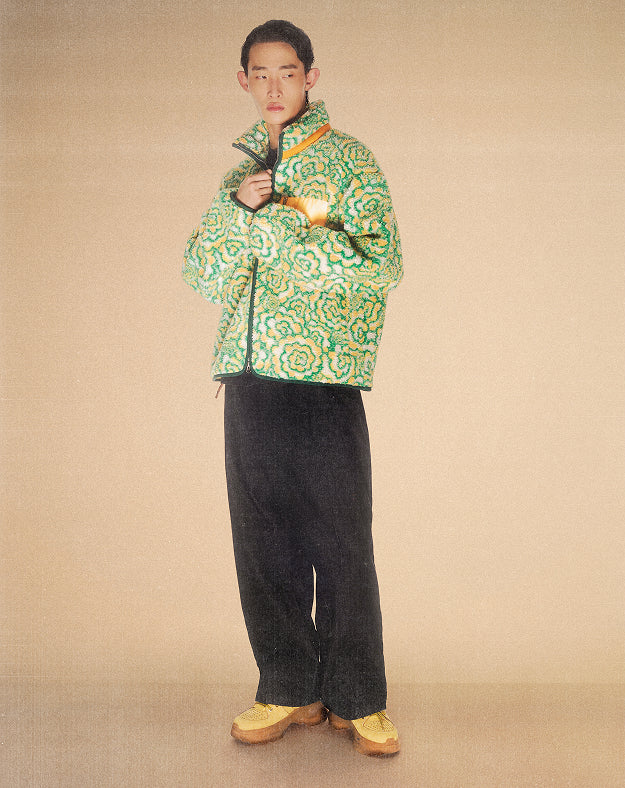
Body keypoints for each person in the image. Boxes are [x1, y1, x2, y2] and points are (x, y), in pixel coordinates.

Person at [182, 19, 403, 757]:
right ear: (242, 81)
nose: (274, 87)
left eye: (287, 72)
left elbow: (379, 266)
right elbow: (202, 275)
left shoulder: (350, 163)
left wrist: (270, 230)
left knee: (340, 541)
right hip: (248, 380)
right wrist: (234, 211)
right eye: (260, 73)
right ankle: (287, 684)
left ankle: (357, 697)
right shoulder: (239, 175)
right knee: (263, 542)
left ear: (310, 76)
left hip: (321, 379)